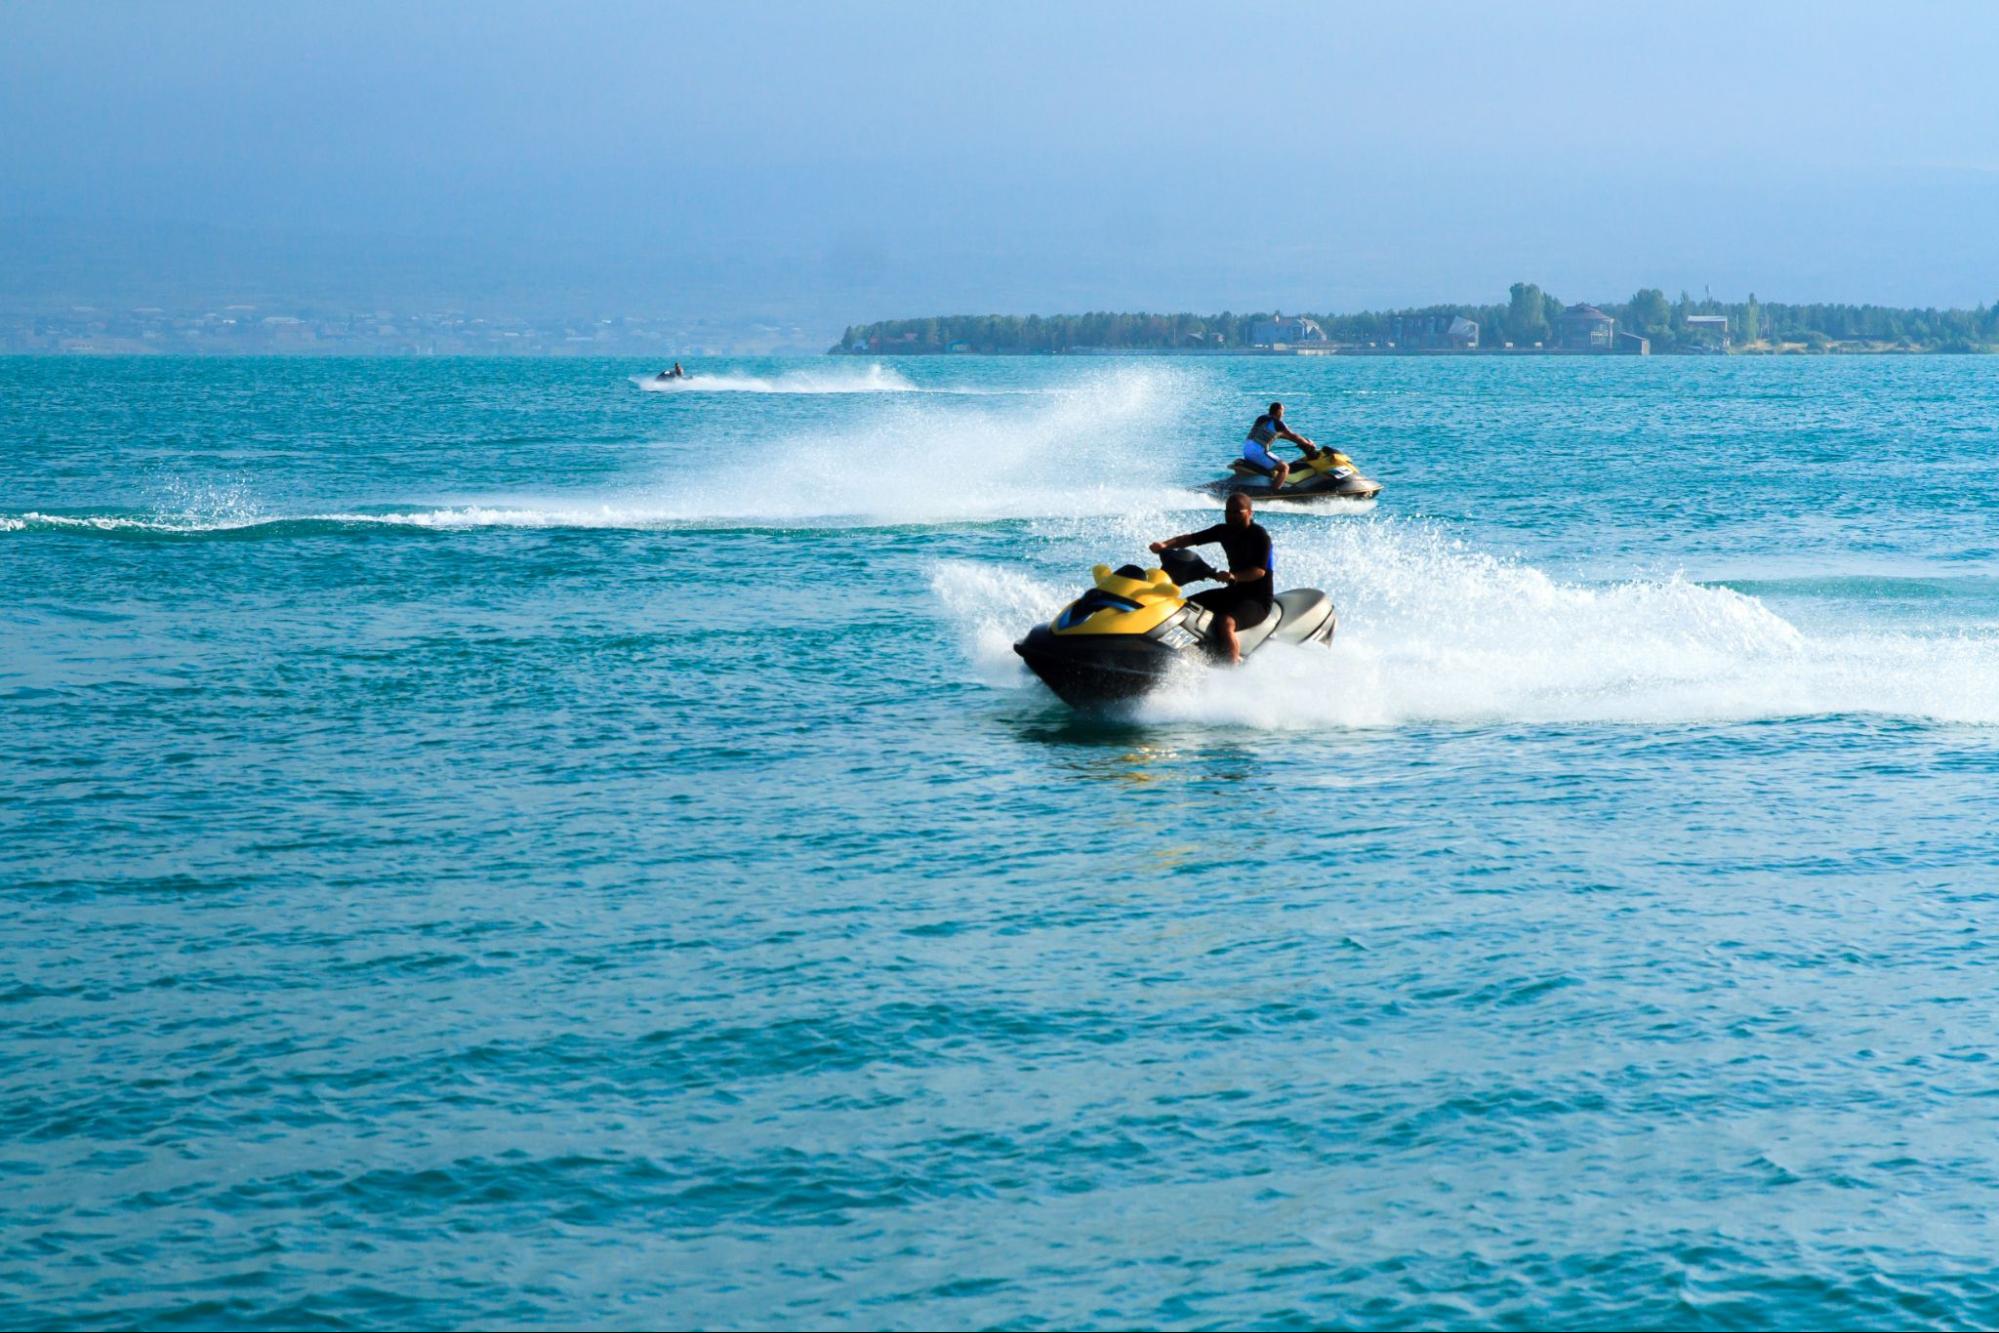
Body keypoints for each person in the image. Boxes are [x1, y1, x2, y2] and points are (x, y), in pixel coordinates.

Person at [1149, 491, 1274, 665]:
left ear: (1250, 513)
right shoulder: (1223, 531)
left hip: (1258, 600)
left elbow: (1259, 571)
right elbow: (1189, 539)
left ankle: (1232, 668)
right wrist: (1165, 545)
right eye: (1228, 511)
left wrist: (1233, 576)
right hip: (1233, 592)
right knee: (1184, 607)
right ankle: (1172, 653)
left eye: (1237, 512)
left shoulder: (1259, 536)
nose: (1231, 516)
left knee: (1225, 622)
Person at [1241, 401, 1318, 490]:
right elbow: (1292, 435)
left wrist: (1300, 442)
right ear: (1278, 411)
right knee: (1284, 467)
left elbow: (1281, 435)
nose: (1283, 414)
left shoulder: (1262, 418)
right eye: (1283, 411)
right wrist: (1308, 443)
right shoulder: (1277, 423)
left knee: (1274, 463)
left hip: (1247, 449)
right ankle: (1274, 492)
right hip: (1258, 452)